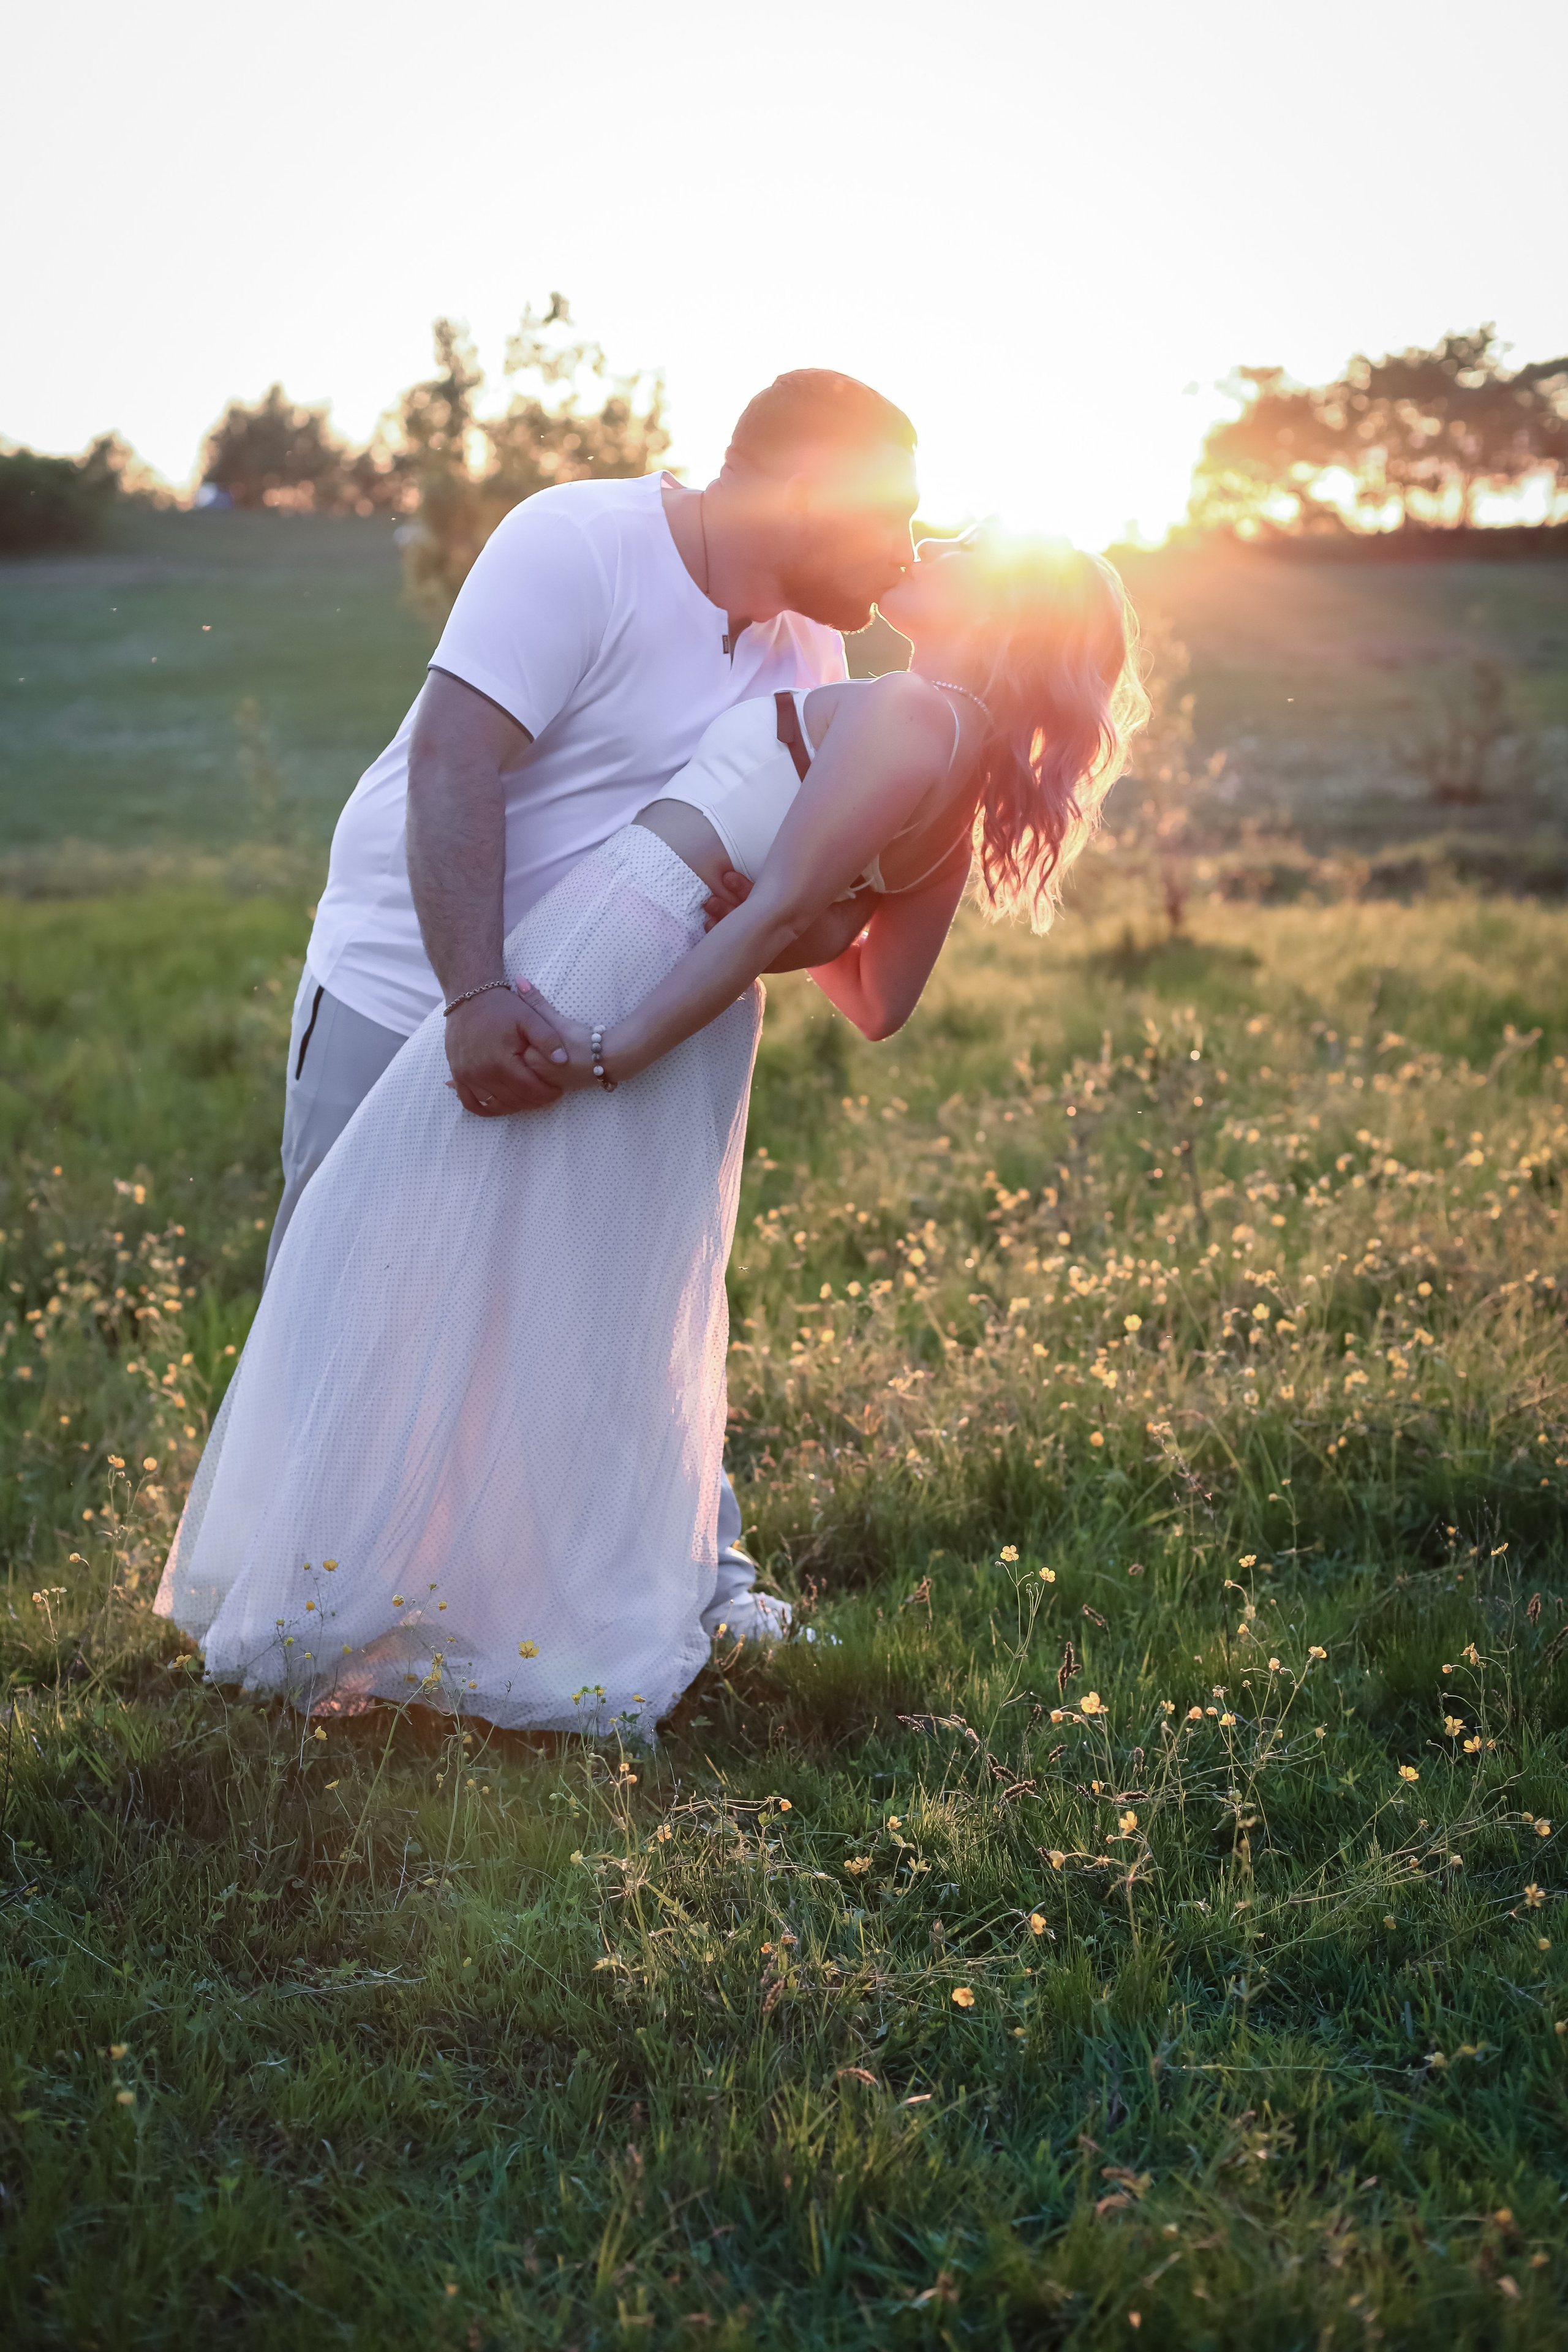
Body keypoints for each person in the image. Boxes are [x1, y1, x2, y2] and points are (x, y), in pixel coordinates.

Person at [155, 526, 1147, 1735]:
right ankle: (474, 1585)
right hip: (699, 1000)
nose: (919, 543)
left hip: (625, 960)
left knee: (406, 1231)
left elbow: (785, 903)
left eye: (958, 545)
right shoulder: (966, 754)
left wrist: (616, 1041)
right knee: (588, 1286)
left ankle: (344, 1593)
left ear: (994, 608)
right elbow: (873, 994)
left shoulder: (903, 711)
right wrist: (799, 930)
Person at [262, 371, 921, 1639]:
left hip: (595, 1030)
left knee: (605, 1305)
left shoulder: (809, 650)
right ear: (801, 491)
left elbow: (760, 892)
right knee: (348, 1301)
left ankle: (666, 1585)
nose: (901, 558)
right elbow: (456, 759)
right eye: (888, 518)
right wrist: (473, 992)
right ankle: (310, 1613)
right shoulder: (579, 544)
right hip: (412, 982)